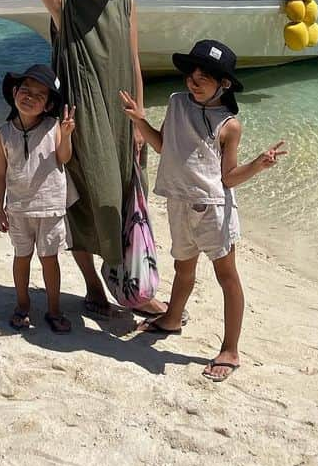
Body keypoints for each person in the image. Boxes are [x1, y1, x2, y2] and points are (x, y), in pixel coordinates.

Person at [24, 0, 168, 318]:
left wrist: (141, 122)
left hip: (124, 121)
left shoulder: (125, 3)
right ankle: (95, 285)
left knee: (128, 202)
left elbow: (134, 63)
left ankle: (131, 286)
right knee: (91, 203)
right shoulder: (63, 4)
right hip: (83, 121)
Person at [120, 39, 286, 381]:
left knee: (227, 277)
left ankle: (230, 349)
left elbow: (228, 177)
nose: (194, 80)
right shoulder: (176, 103)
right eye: (191, 73)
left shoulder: (229, 124)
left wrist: (258, 164)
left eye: (204, 76)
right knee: (183, 268)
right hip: (178, 202)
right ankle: (171, 318)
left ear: (223, 83)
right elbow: (165, 145)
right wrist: (140, 121)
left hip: (213, 210)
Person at [0, 63, 76, 333]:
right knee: (21, 257)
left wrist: (68, 134)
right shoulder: (3, 134)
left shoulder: (54, 127)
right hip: (17, 209)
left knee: (49, 259)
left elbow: (64, 158)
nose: (30, 97)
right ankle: (22, 304)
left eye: (39, 95)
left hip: (50, 207)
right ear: (14, 92)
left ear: (49, 104)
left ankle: (54, 309)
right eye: (25, 90)